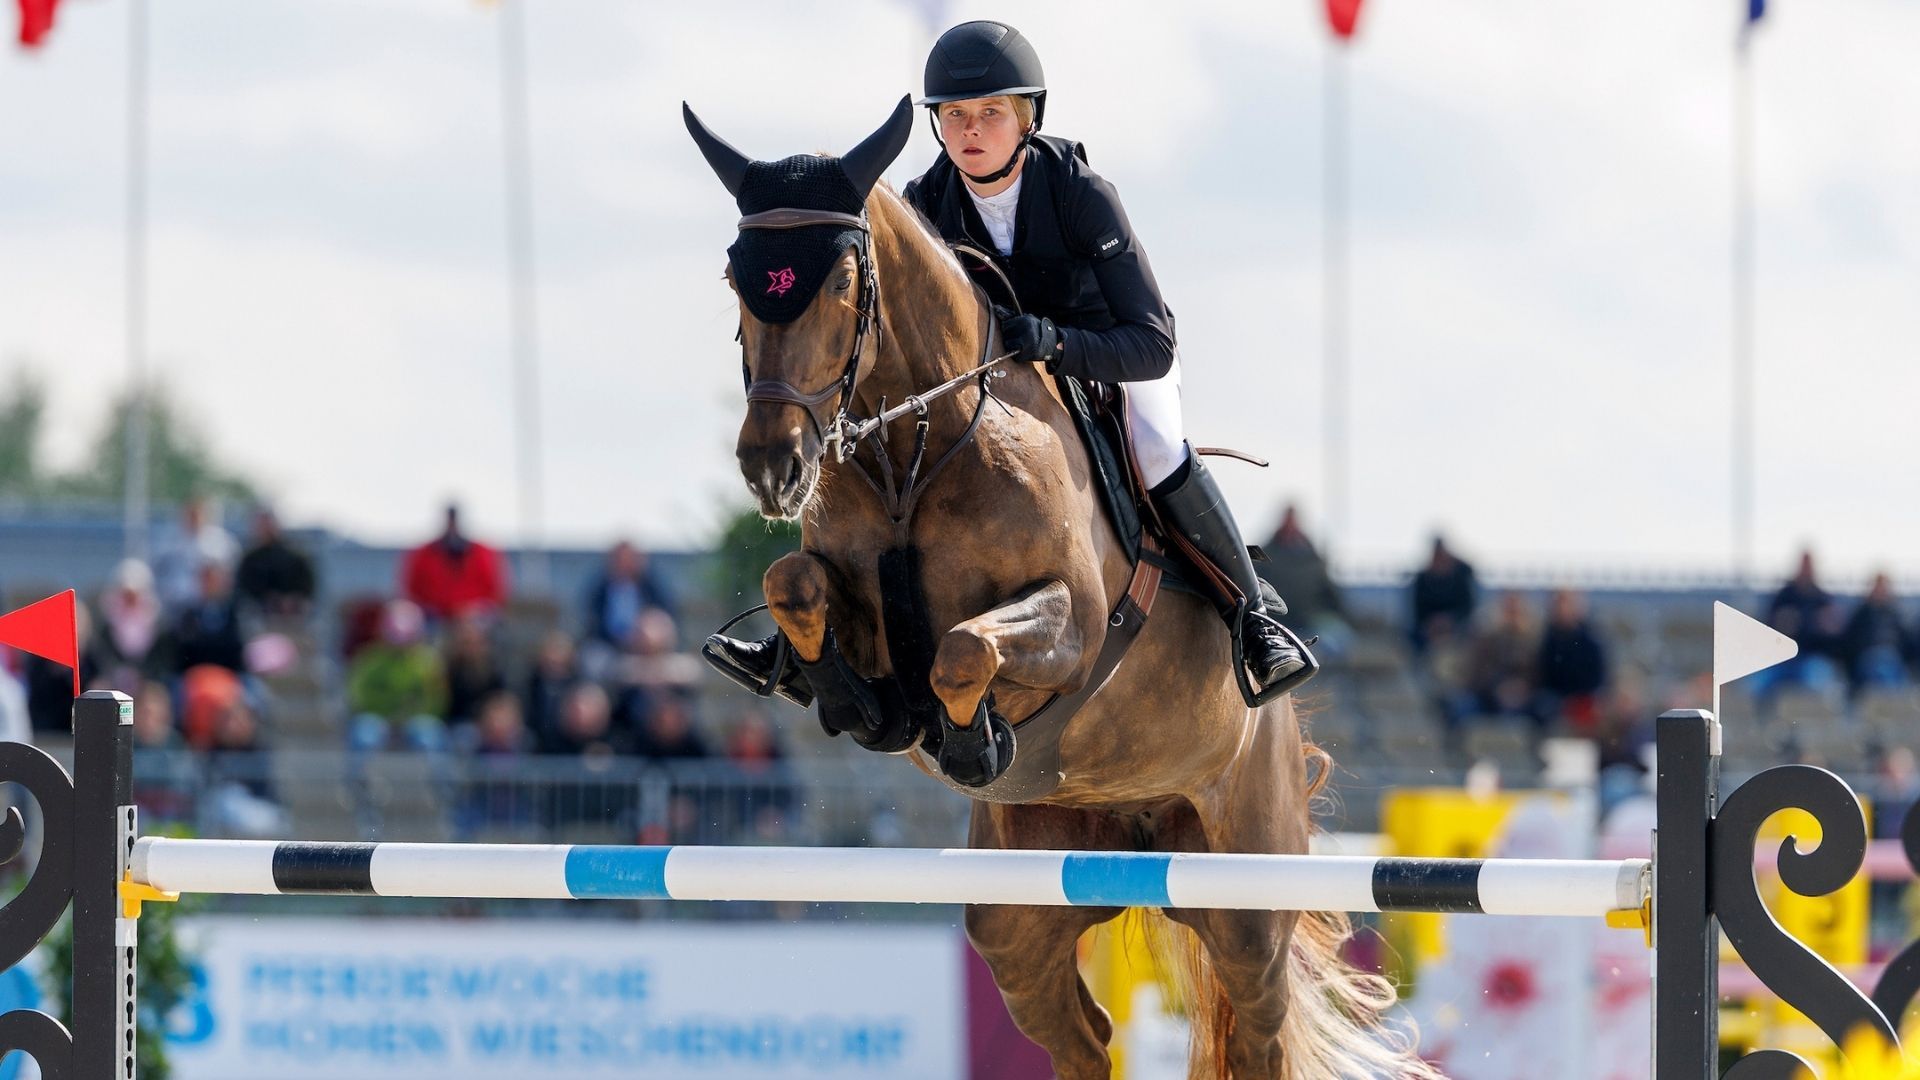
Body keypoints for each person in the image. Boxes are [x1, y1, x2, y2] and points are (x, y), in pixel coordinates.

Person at [707, 20, 1308, 699]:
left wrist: (1056, 343)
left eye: (990, 113)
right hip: (994, 380)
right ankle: (807, 642)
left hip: (1107, 358)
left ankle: (1250, 616)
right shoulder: (927, 204)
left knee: (1158, 443)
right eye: (955, 116)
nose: (970, 130)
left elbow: (1153, 341)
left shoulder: (1080, 193)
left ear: (1025, 118)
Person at [399, 503, 510, 623]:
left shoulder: (482, 553)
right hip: (433, 616)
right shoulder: (423, 554)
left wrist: (474, 608)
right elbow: (411, 589)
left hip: (474, 617)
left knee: (478, 622)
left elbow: (496, 591)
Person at [235, 507, 317, 618]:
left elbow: (308, 587)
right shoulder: (250, 560)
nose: (265, 529)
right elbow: (244, 591)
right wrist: (269, 600)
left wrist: (291, 600)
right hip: (259, 617)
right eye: (261, 525)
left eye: (268, 524)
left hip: (294, 619)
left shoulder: (296, 556)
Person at [1409, 535, 1478, 655]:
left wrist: (1449, 620)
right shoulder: (1423, 579)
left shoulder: (1459, 576)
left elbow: (1467, 607)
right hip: (1429, 631)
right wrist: (1432, 623)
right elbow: (1418, 611)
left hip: (1457, 628)